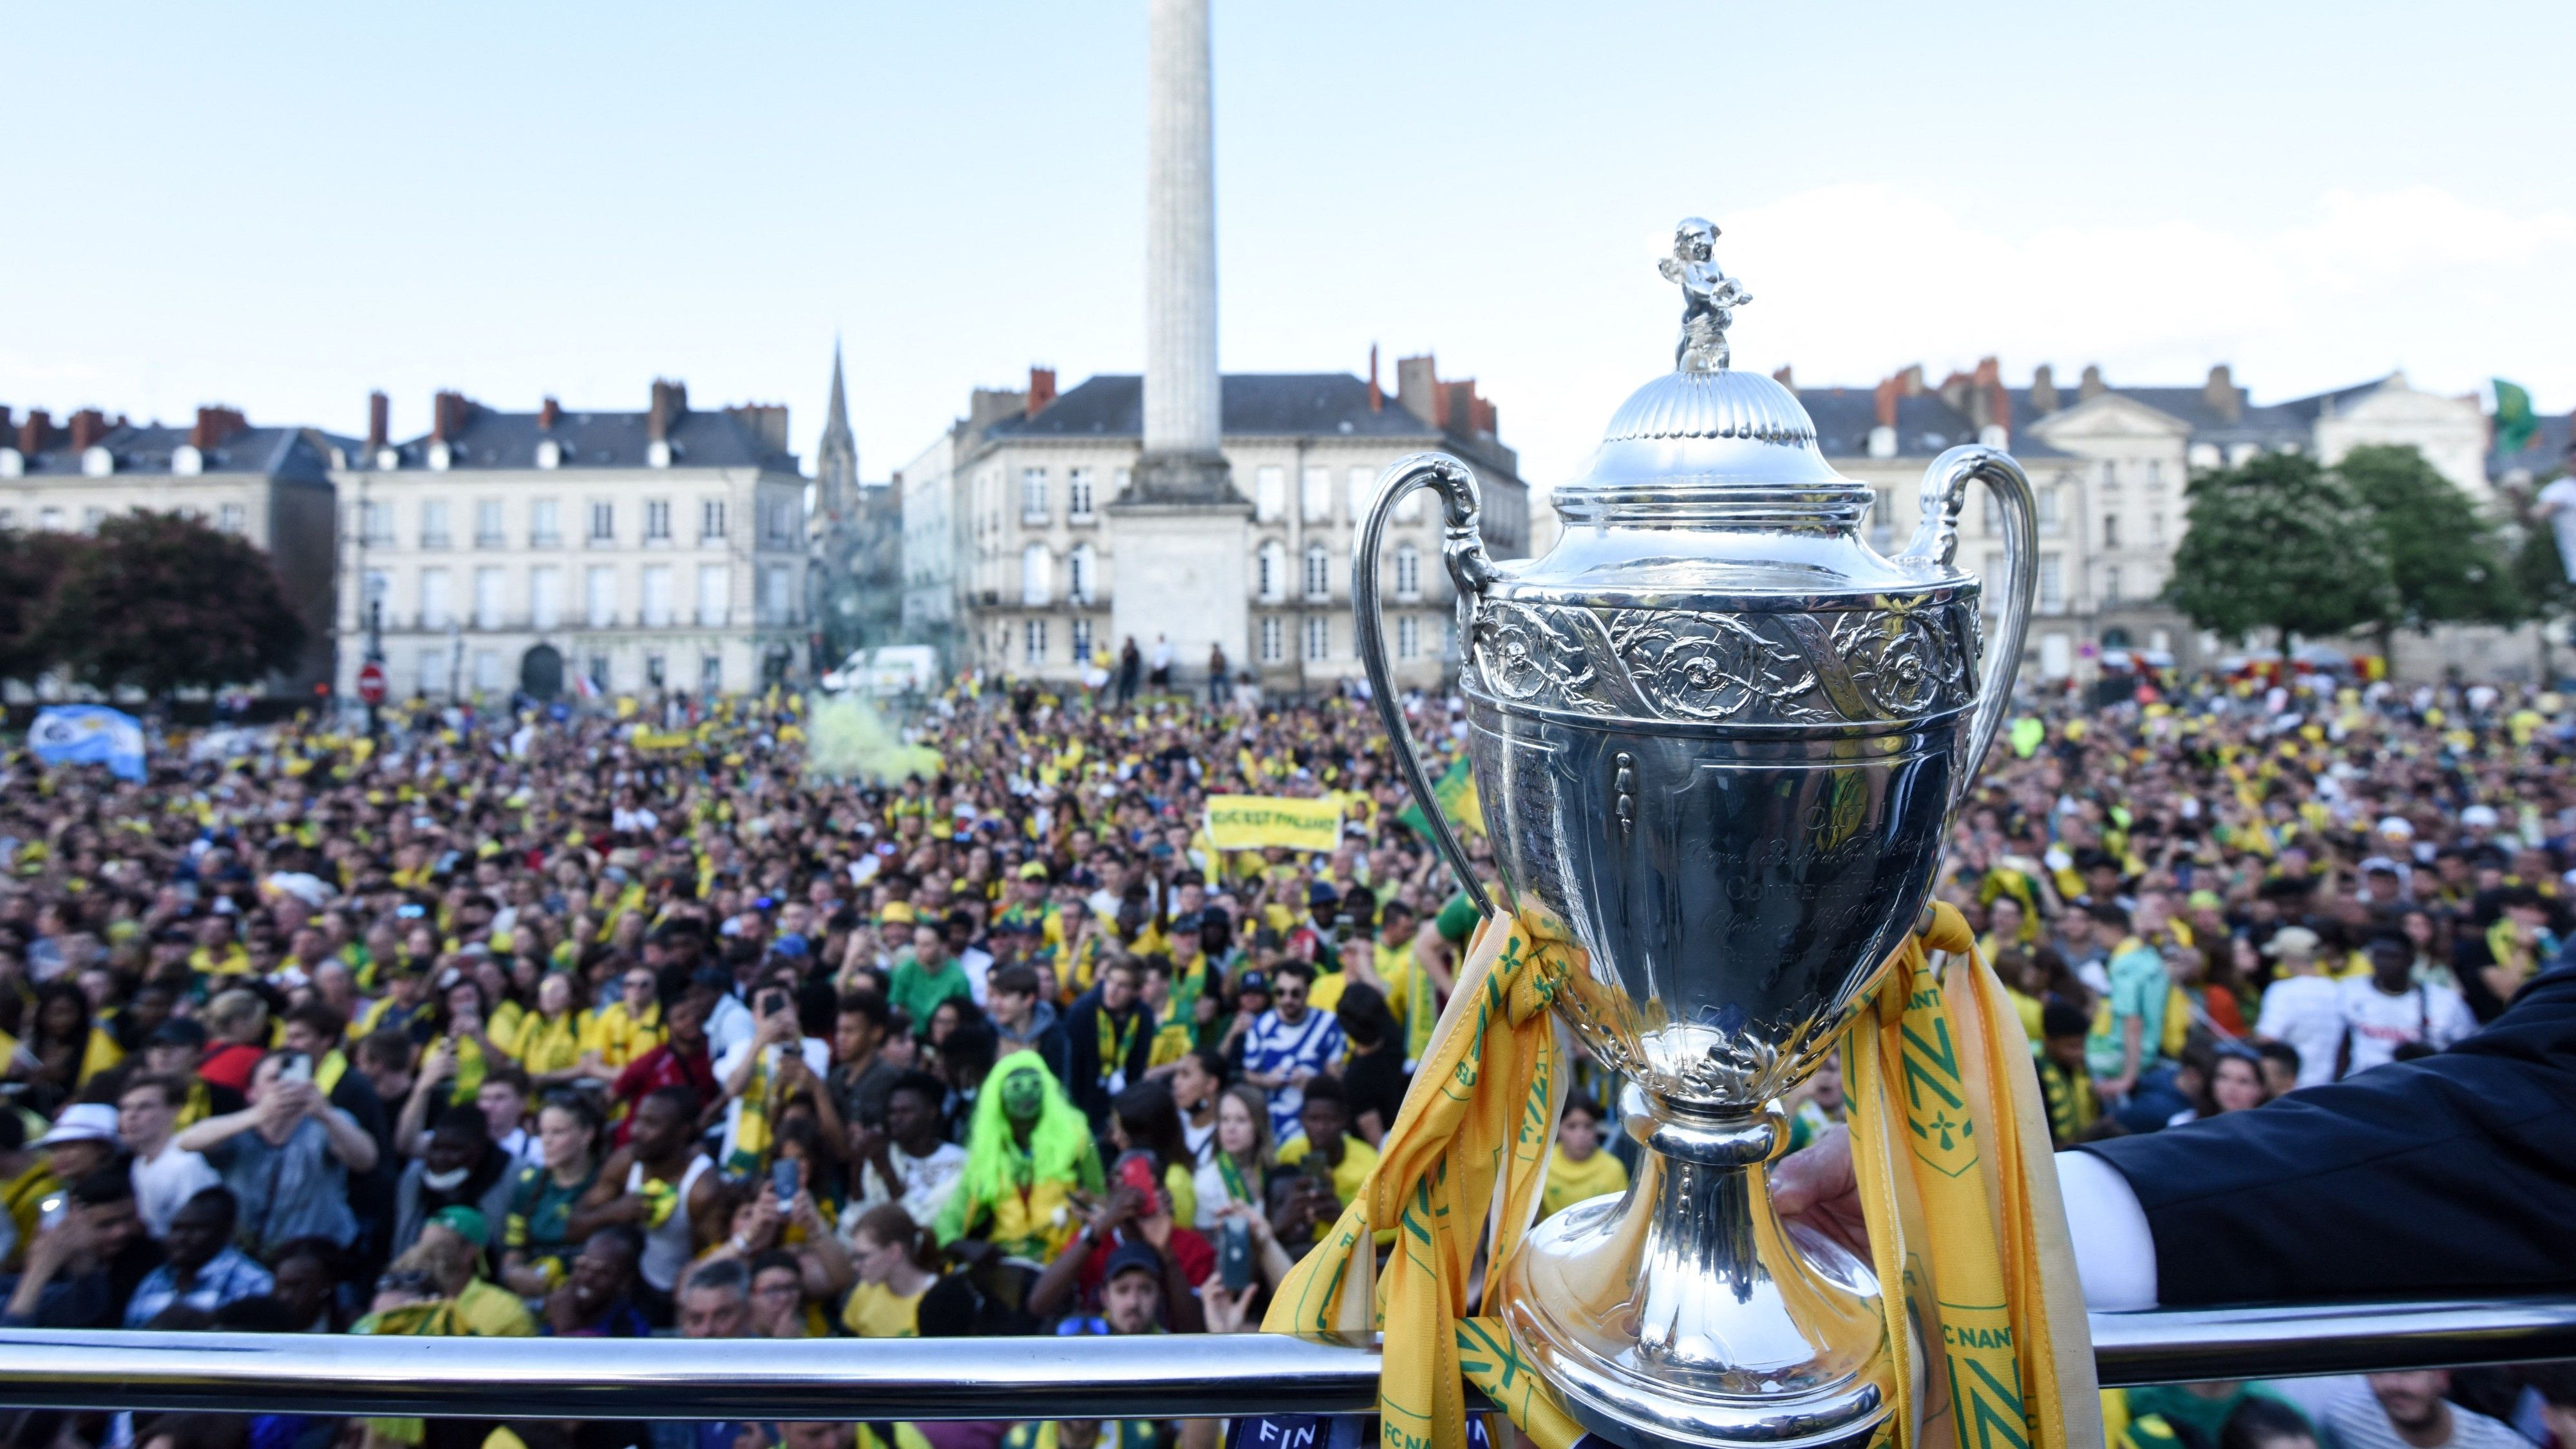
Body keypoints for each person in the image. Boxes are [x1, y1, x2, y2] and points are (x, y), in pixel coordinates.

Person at [177, 1047, 377, 1255]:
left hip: (315, 1257)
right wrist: (259, 1115)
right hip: (246, 1254)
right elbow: (186, 1142)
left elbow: (366, 1160)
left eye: (292, 1079)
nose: (284, 1086)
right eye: (274, 1079)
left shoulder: (328, 1122)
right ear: (252, 1093)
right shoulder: (237, 1126)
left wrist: (325, 1113)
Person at [934, 1050, 1103, 1262]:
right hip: (1008, 1264)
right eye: (1016, 1087)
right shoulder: (987, 1151)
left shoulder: (1077, 1136)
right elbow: (955, 1213)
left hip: (1068, 1258)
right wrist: (957, 1243)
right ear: (998, 1097)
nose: (1027, 1094)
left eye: (1034, 1085)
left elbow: (1100, 1197)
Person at [574, 1086, 723, 1313]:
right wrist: (615, 1211)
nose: (636, 1131)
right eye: (637, 1121)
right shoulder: (626, 1161)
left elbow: (715, 1262)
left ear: (682, 1132)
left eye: (651, 1124)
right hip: (620, 1287)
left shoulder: (701, 1188)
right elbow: (573, 1226)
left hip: (670, 1295)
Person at [502, 1093, 607, 1296]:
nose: (547, 1141)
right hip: (537, 1294)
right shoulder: (528, 1183)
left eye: (557, 1132)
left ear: (587, 1135)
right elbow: (513, 1246)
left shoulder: (606, 1182)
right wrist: (513, 1271)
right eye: (542, 1133)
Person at [122, 1186, 273, 1327]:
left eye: (195, 1229)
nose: (181, 1238)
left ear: (226, 1233)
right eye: (176, 1228)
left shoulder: (254, 1282)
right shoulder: (153, 1281)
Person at [845, 1070, 968, 1232]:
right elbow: (853, 1227)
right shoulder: (881, 1155)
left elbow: (926, 1228)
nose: (895, 1119)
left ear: (932, 1113)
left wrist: (889, 1177)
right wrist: (857, 1168)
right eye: (892, 1112)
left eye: (905, 1111)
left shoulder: (960, 1162)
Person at [2340, 931, 2476, 1075]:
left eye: (2391, 956)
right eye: (2378, 955)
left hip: (2416, 1083)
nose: (2383, 963)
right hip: (2363, 1083)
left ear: (2410, 960)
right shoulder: (2350, 991)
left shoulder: (2444, 1001)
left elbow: (2466, 1049)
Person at [393, 1104, 518, 1259]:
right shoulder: (415, 1176)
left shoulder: (514, 1174)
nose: (440, 1158)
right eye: (436, 1148)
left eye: (454, 1150)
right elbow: (402, 1244)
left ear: (480, 1149)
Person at [1239, 960, 1344, 1141]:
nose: (1287, 1000)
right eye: (1281, 993)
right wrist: (1267, 1080)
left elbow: (1337, 1078)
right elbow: (1248, 1073)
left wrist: (1312, 1083)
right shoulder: (1261, 1026)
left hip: (1316, 1125)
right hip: (1272, 1125)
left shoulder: (1328, 1023)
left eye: (1295, 993)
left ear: (1308, 992)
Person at [1062, 956, 1154, 1128]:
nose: (1112, 990)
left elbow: (1137, 1069)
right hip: (1082, 1102)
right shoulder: (1082, 1011)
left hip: (1121, 1104)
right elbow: (1071, 1072)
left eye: (1123, 986)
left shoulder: (1143, 1016)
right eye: (1110, 981)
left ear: (1136, 991)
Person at [2253, 926, 2345, 1091]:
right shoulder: (2337, 990)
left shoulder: (2282, 991)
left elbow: (2268, 1039)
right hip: (2328, 1086)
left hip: (2290, 1088)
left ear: (2288, 958)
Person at [1273, 1075, 1376, 1208]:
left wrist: (1339, 1214)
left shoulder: (1368, 1164)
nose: (1321, 1127)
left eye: (1330, 1119)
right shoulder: (1287, 1155)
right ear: (1302, 1119)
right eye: (1314, 1119)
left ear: (1344, 1119)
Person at [841, 1202, 940, 1339]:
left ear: (894, 1252)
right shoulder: (864, 1291)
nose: (856, 1265)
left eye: (863, 1256)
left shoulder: (938, 1302)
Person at [1189, 1083, 1275, 1231]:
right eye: (1225, 1119)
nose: (1231, 1128)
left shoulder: (1272, 1172)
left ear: (1259, 1125)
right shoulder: (1206, 1181)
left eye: (1241, 1120)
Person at [1540, 1094, 1627, 1220]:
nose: (1581, 1135)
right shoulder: (1542, 1166)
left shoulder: (1614, 1169)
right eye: (1572, 1126)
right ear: (1557, 1128)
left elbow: (1621, 1218)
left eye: (1588, 1126)